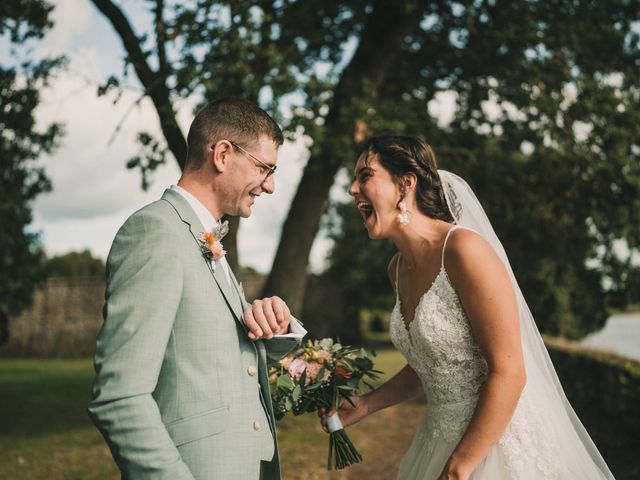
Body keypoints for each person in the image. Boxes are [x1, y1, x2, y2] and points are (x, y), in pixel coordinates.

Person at [321, 135, 614, 479]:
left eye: (365, 175)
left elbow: (509, 372)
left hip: (498, 443)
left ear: (405, 183)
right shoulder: (396, 269)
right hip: (440, 436)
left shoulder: (463, 250)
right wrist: (368, 404)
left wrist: (460, 467)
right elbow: (433, 364)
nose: (353, 189)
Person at [88, 97, 304, 480]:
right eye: (265, 168)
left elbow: (215, 362)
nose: (270, 186)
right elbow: (120, 397)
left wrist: (274, 324)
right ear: (222, 154)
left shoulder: (207, 238)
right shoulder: (155, 232)